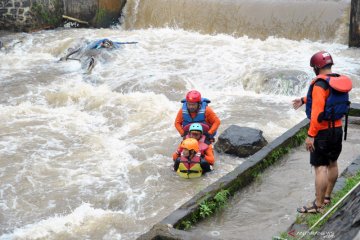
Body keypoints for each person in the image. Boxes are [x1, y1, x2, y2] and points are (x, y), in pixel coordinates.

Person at [293, 51, 352, 213]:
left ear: (316, 68)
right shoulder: (337, 80)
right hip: (338, 129)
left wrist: (311, 135)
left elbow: (317, 113)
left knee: (320, 167)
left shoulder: (319, 84)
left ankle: (317, 205)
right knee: (332, 163)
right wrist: (304, 100)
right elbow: (331, 100)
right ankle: (327, 197)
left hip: (323, 133)